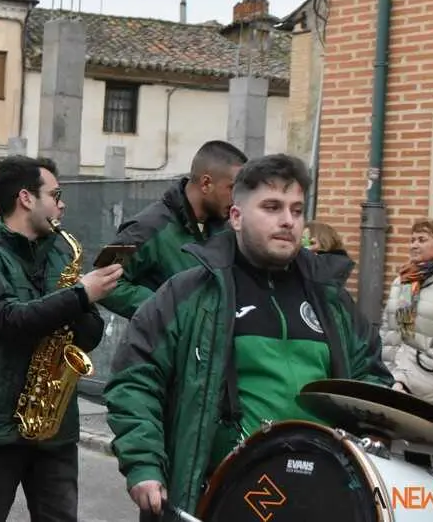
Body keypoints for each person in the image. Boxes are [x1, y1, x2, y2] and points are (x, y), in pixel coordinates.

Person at [104, 153, 393, 519]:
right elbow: (135, 380)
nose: (288, 220)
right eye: (272, 207)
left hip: (321, 497)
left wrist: (377, 429)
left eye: (296, 210)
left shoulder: (332, 299)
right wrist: (144, 464)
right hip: (222, 497)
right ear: (236, 217)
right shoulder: (189, 293)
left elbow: (370, 378)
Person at [0, 155, 122, 522]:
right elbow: (7, 320)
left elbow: (90, 335)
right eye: (55, 195)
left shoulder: (62, 253)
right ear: (26, 198)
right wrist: (79, 295)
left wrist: (83, 303)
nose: (62, 204)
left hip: (55, 424)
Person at [103, 140, 247, 319]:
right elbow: (102, 280)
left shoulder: (226, 229)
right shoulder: (145, 227)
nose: (237, 199)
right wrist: (166, 308)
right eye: (232, 188)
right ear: (206, 184)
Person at [380, 218, 433, 470]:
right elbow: (391, 330)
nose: (413, 245)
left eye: (422, 239)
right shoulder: (404, 282)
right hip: (397, 382)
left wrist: (425, 366)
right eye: (412, 240)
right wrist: (387, 371)